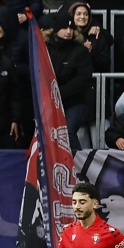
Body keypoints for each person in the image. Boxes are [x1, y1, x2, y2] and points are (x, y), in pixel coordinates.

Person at [44, 11, 93, 151]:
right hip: (50, 101)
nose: (68, 32)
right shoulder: (45, 49)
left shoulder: (80, 51)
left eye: (71, 28)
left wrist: (59, 92)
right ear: (56, 29)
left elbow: (83, 78)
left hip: (75, 101)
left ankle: (78, 163)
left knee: (68, 132)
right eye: (65, 28)